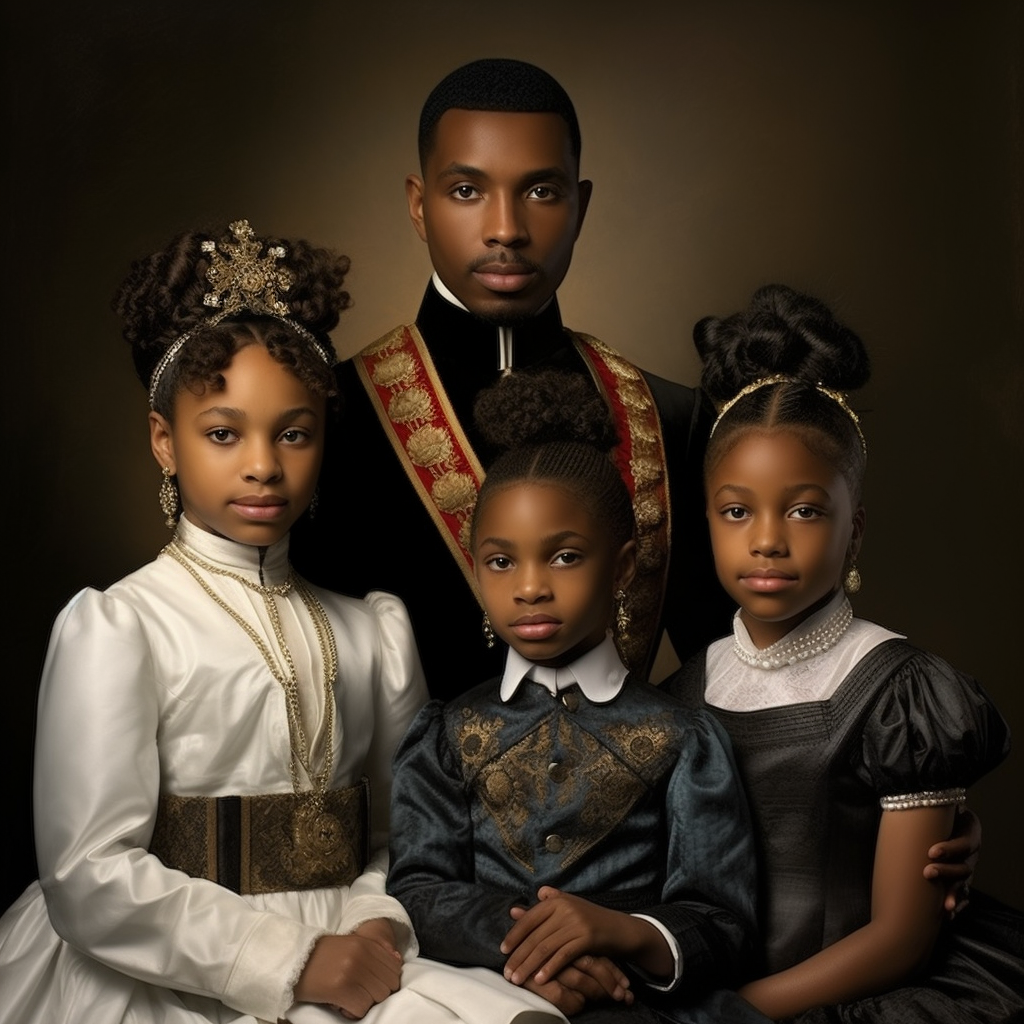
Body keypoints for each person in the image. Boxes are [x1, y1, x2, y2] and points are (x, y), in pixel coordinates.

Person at [0, 220, 571, 1024]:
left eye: (294, 433)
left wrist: (376, 922)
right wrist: (289, 960)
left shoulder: (373, 632)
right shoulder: (120, 627)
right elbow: (89, 871)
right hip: (174, 963)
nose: (264, 464)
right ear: (165, 441)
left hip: (356, 942)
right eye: (224, 433)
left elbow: (403, 832)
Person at [290, 57, 733, 696]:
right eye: (467, 191)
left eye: (542, 191)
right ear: (419, 206)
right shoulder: (334, 415)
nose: (506, 229)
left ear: (580, 205)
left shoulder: (673, 417)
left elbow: (733, 677)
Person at [665, 284, 1024, 1023]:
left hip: (856, 994)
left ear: (854, 531)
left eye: (804, 510)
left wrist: (737, 1012)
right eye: (738, 511)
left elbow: (901, 938)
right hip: (713, 984)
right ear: (708, 521)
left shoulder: (902, 695)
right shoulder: (685, 690)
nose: (767, 539)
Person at [386, 369, 763, 1022]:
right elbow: (419, 890)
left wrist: (623, 934)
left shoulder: (683, 738)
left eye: (563, 557)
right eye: (502, 562)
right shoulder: (447, 734)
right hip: (485, 995)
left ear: (620, 568)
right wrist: (530, 947)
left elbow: (721, 922)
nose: (530, 587)